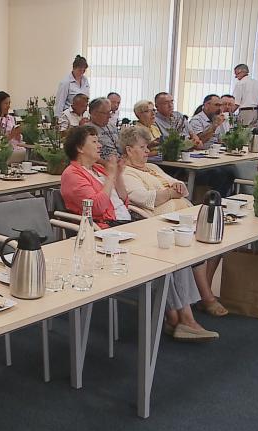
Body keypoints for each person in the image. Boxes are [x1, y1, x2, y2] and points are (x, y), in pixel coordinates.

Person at [118, 125, 220, 340]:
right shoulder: (126, 173)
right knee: (186, 250)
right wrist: (171, 193)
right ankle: (189, 314)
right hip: (159, 224)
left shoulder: (151, 168)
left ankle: (186, 311)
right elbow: (146, 199)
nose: (148, 151)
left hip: (181, 218)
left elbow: (181, 186)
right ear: (128, 150)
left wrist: (176, 189)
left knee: (213, 237)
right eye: (143, 147)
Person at [60, 126, 130, 228]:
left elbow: (123, 199)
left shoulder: (98, 169)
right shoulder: (72, 175)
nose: (100, 145)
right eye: (94, 142)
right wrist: (110, 177)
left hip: (125, 219)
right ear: (80, 148)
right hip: (107, 226)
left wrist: (118, 174)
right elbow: (97, 207)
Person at [188, 94, 237, 197]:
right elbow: (198, 142)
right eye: (217, 105)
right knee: (221, 173)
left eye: (220, 105)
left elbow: (222, 140)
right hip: (198, 160)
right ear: (207, 105)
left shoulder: (217, 118)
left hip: (213, 158)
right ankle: (213, 200)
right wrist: (214, 126)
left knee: (232, 170)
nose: (220, 108)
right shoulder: (197, 120)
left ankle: (221, 199)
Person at [0, 91, 26, 163]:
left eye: (9, 103)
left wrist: (17, 134)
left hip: (14, 146)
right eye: (6, 103)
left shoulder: (11, 118)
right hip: (2, 149)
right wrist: (10, 136)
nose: (8, 106)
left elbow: (17, 139)